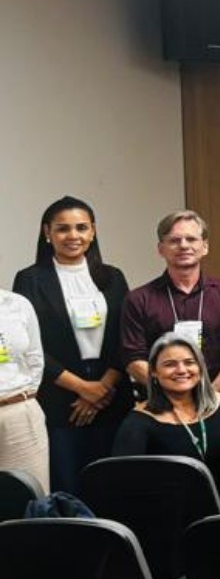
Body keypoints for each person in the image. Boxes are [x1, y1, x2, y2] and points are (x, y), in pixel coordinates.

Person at [119, 210, 220, 499]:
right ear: (161, 249)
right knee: (168, 491)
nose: (184, 246)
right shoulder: (139, 299)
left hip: (217, 406)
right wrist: (170, 389)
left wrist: (209, 392)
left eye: (192, 238)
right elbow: (131, 354)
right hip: (162, 414)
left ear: (205, 246)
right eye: (174, 240)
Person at [13, 197, 132, 494]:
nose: (73, 236)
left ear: (93, 232)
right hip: (60, 395)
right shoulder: (30, 279)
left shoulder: (113, 277)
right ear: (47, 233)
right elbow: (29, 344)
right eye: (63, 229)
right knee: (67, 484)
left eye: (81, 228)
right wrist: (82, 388)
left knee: (114, 483)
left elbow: (126, 335)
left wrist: (102, 387)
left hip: (112, 392)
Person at [112, 334, 220, 484]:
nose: (181, 370)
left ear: (200, 367)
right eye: (170, 364)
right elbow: (122, 481)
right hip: (166, 506)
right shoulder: (137, 423)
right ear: (154, 371)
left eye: (189, 362)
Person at [0, 286, 48, 490]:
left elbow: (35, 358)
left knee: (32, 496)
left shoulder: (17, 304)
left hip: (18, 411)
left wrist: (23, 397)